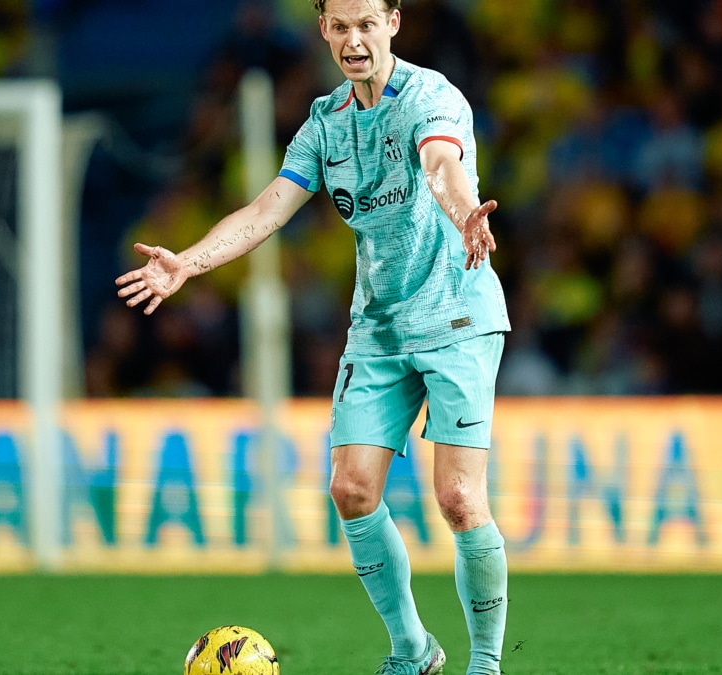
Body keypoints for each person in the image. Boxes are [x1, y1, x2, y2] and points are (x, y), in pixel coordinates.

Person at [116, 1, 510, 673]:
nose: (354, 40)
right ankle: (413, 648)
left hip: (457, 316)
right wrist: (188, 262)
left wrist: (464, 210)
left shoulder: (430, 96)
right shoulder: (326, 124)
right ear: (324, 29)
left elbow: (442, 162)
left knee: (459, 498)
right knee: (352, 489)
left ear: (392, 22)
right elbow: (269, 207)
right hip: (379, 327)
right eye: (340, 26)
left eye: (367, 23)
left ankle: (486, 662)